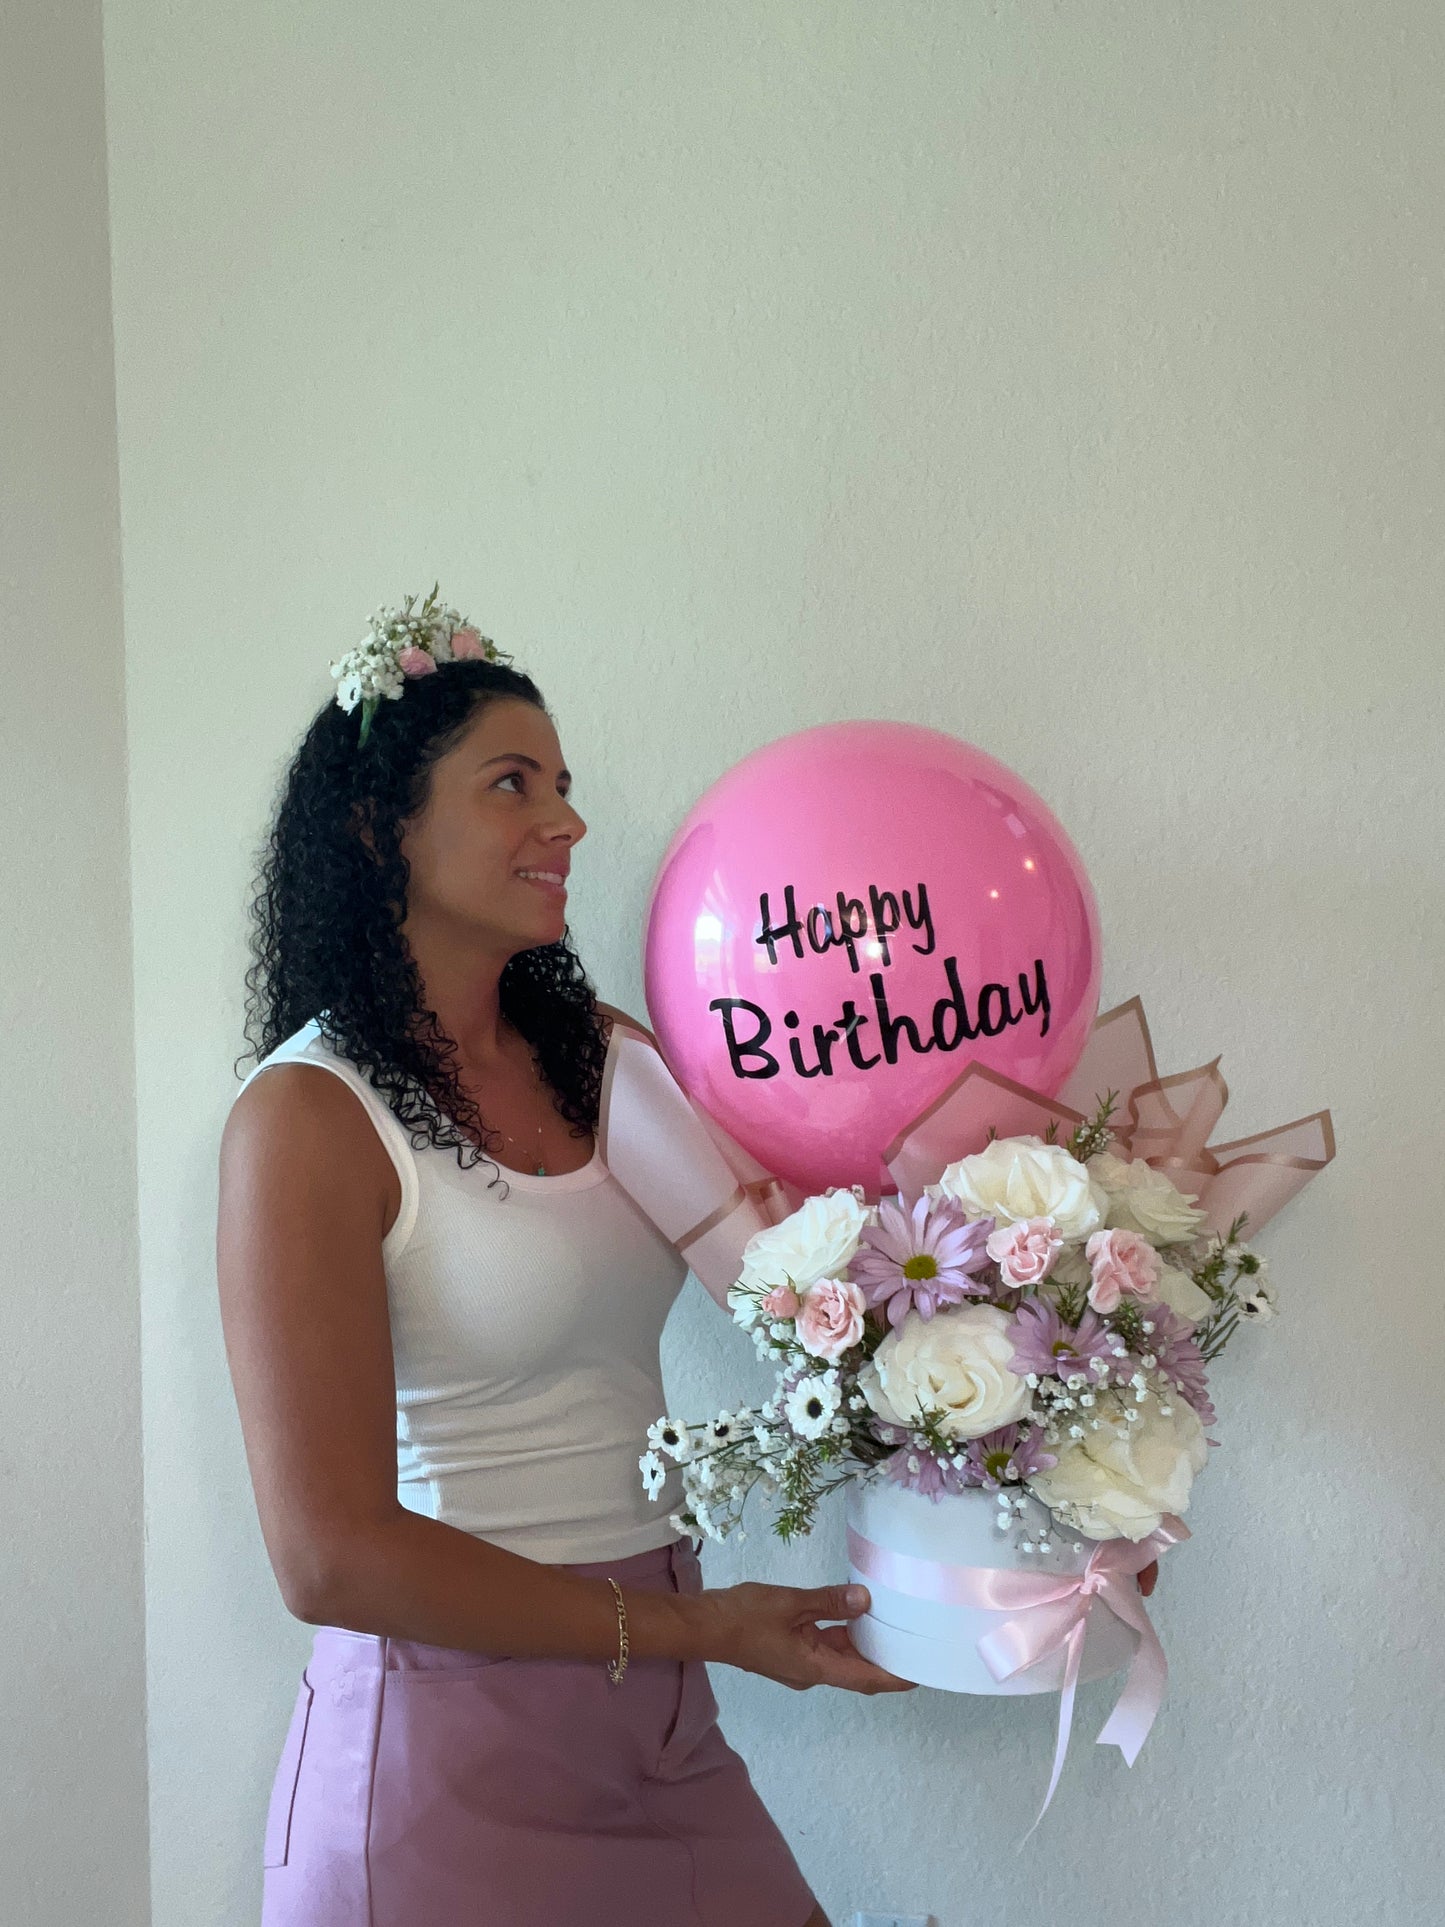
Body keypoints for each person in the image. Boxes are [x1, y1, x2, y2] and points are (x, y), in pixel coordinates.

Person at [216, 598, 918, 1927]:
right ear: (379, 831)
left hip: (660, 1716)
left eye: (564, 786)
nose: (568, 825)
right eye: (510, 785)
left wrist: (1033, 1492)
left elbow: (811, 1311)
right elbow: (328, 1560)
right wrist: (693, 1631)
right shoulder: (305, 1118)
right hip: (440, 1753)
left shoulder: (605, 1055)